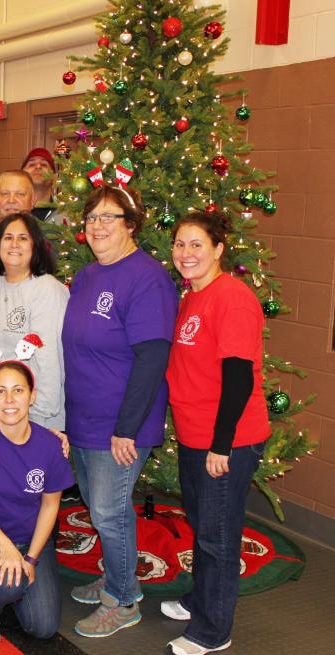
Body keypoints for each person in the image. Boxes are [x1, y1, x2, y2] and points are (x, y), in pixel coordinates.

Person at [61, 184, 178, 638]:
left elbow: (152, 359)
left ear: (131, 225)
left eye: (109, 218)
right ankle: (117, 577)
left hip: (122, 425)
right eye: (92, 218)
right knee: (98, 506)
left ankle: (124, 598)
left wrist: (127, 429)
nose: (98, 226)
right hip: (85, 418)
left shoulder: (147, 278)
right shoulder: (89, 275)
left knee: (109, 512)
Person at [163, 211, 270, 655]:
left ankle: (213, 631)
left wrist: (221, 444)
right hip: (194, 435)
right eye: (179, 245)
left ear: (219, 250)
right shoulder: (192, 296)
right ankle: (200, 600)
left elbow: (239, 377)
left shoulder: (233, 298)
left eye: (196, 245)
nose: (186, 254)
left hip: (226, 440)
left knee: (219, 536)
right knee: (203, 524)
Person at [0, 361, 74, 643]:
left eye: (18, 390)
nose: (9, 400)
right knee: (10, 582)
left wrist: (31, 558)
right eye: (0, 391)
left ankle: (12, 584)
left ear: (32, 396)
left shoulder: (50, 445)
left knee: (43, 627)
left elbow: (50, 506)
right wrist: (7, 548)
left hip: (32, 540)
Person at [0, 212, 68, 430]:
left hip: (33, 419)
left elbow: (50, 360)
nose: (14, 244)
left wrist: (38, 419)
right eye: (8, 237)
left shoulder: (47, 289)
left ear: (35, 245)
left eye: (23, 238)